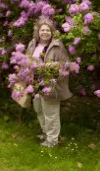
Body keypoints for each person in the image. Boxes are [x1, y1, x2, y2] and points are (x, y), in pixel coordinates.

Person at [24, 16, 72, 147]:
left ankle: (52, 141)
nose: (45, 32)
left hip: (50, 84)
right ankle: (46, 133)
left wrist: (51, 67)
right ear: (38, 32)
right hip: (35, 84)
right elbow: (27, 60)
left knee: (51, 113)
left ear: (51, 32)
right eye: (42, 30)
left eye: (47, 30)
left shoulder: (57, 46)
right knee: (39, 109)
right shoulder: (33, 43)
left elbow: (65, 65)